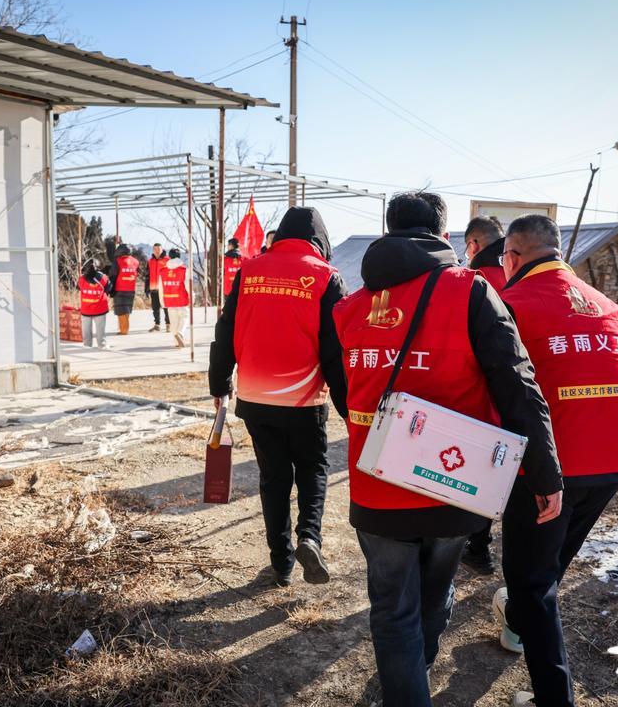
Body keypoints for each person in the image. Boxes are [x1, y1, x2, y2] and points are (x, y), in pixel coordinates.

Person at [332, 192, 563, 707]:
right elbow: (516, 383)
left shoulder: (349, 307)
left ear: (387, 232)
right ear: (444, 237)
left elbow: (341, 390)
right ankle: (418, 671)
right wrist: (544, 473)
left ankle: (406, 683)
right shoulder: (471, 291)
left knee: (393, 612)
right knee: (434, 596)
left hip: (376, 481)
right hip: (453, 483)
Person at [496, 214, 618, 707]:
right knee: (548, 565)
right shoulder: (608, 307)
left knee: (532, 582)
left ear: (513, 257)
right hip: (613, 460)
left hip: (550, 467)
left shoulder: (510, 305)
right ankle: (517, 624)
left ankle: (553, 698)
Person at [209, 207, 348, 587]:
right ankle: (309, 537)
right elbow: (335, 350)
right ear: (320, 239)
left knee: (273, 479)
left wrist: (219, 384)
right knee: (312, 469)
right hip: (305, 402)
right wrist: (348, 407)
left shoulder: (249, 271)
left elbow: (225, 329)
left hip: (256, 399)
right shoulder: (326, 277)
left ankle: (281, 563)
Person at [458, 214, 507, 574]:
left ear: (474, 245)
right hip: (524, 392)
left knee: (475, 471)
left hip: (478, 392)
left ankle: (477, 546)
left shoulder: (469, 282)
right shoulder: (519, 275)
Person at [77, 258, 111, 349]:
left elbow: (78, 287)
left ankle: (87, 345)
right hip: (100, 309)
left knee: (86, 330)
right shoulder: (104, 277)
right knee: (100, 330)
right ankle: (102, 345)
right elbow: (109, 288)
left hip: (86, 309)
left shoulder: (81, 279)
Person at [161, 248, 190, 348]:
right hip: (181, 299)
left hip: (169, 299)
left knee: (173, 322)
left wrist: (162, 301)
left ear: (169, 256)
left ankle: (177, 342)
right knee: (184, 317)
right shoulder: (184, 270)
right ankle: (180, 333)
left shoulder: (163, 271)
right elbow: (188, 285)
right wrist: (192, 297)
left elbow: (161, 287)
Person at [110, 243, 139, 335]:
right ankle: (124, 328)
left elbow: (113, 275)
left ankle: (124, 330)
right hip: (131, 289)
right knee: (127, 309)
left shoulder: (118, 261)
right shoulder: (136, 261)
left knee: (120, 310)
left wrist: (111, 289)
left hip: (119, 289)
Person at [144, 243, 171, 333]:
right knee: (155, 307)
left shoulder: (167, 260)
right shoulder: (150, 261)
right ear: (153, 250)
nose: (157, 251)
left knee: (166, 307)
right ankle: (157, 325)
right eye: (155, 249)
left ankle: (168, 324)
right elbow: (147, 276)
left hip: (164, 288)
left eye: (159, 249)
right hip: (153, 288)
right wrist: (146, 289)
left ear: (162, 249)